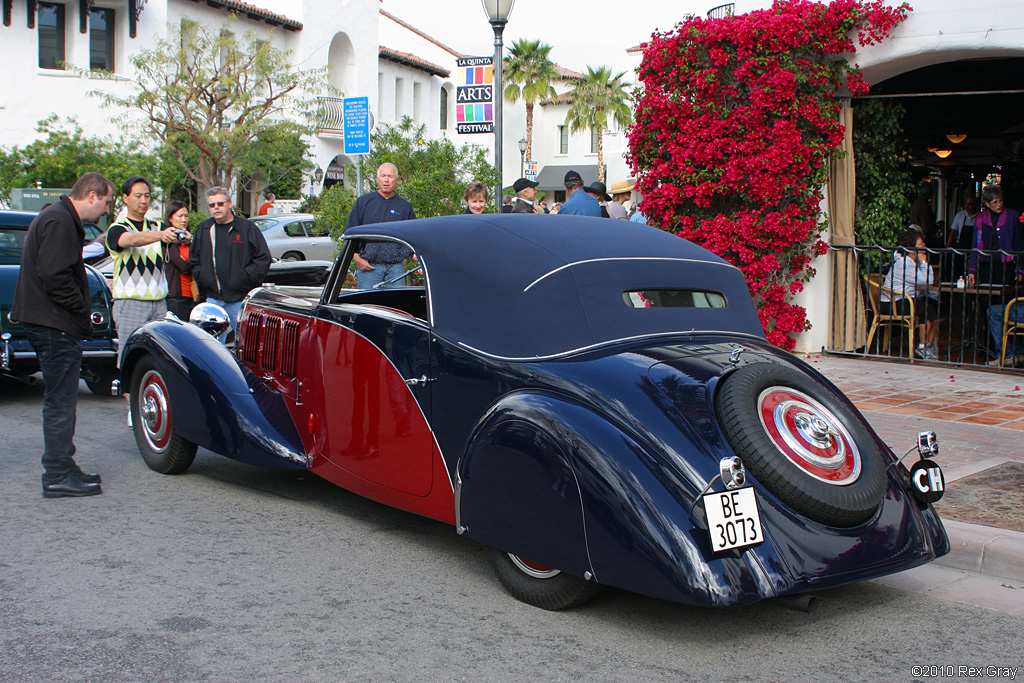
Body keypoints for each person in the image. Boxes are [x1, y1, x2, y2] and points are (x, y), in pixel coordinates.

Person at [12, 172, 114, 497]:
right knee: (60, 401)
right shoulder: (59, 221)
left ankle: (63, 466)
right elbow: (54, 274)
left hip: (49, 321)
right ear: (92, 195)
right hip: (54, 324)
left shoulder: (56, 217)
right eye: (107, 202)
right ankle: (57, 474)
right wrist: (81, 310)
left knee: (61, 400)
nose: (106, 211)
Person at [107, 176, 180, 425]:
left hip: (159, 302)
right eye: (137, 195)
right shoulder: (118, 226)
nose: (143, 200)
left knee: (159, 356)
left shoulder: (156, 225)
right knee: (128, 356)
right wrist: (160, 234)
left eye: (147, 195)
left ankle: (153, 403)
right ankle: (134, 407)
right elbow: (129, 240)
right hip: (130, 302)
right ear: (126, 198)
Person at [189, 186, 272, 337]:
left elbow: (263, 258)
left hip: (239, 300)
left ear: (229, 204)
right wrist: (204, 279)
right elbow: (194, 259)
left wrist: (244, 279)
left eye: (220, 204)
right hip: (213, 299)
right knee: (212, 345)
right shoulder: (204, 229)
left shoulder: (246, 228)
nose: (216, 208)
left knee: (246, 342)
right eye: (212, 205)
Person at [345, 162, 417, 289]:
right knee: (368, 305)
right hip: (369, 267)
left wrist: (402, 254)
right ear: (377, 179)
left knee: (395, 306)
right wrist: (356, 257)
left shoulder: (404, 206)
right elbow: (350, 232)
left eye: (390, 176)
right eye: (383, 175)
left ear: (397, 180)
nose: (386, 180)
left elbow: (414, 235)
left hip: (396, 269)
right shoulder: (363, 202)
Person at [881, 230, 940, 360]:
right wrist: (925, 263)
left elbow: (926, 283)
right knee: (927, 308)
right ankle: (923, 346)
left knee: (933, 308)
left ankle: (925, 345)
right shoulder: (904, 263)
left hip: (905, 299)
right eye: (920, 244)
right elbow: (926, 281)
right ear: (911, 249)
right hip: (893, 303)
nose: (924, 246)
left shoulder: (912, 262)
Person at [966, 185, 1022, 289]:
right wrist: (972, 270)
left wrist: (1020, 269)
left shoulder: (1012, 216)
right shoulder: (980, 218)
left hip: (1006, 263)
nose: (999, 205)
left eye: (1001, 201)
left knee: (1005, 294)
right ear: (987, 203)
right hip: (986, 263)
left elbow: (1018, 244)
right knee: (987, 294)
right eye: (995, 202)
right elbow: (975, 244)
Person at [163, 200, 196, 321]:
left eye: (186, 216)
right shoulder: (168, 242)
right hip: (176, 297)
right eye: (180, 216)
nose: (184, 220)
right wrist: (194, 264)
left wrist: (190, 242)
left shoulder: (188, 240)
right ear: (170, 218)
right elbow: (184, 266)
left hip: (192, 296)